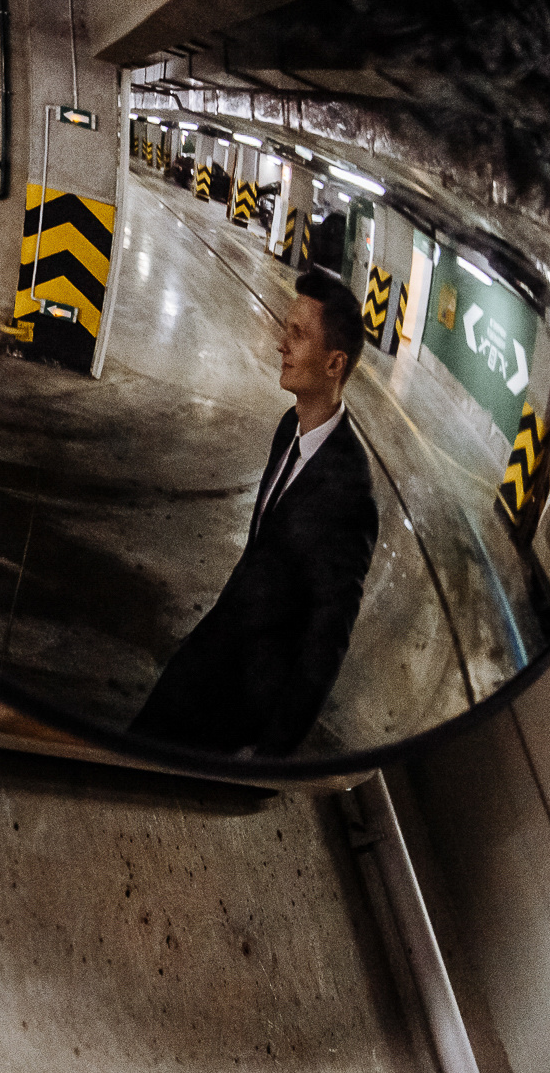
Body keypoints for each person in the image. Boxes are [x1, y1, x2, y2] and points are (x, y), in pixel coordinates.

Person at [130, 271, 379, 756]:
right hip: (212, 652)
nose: (281, 344)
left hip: (246, 701)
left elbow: (327, 639)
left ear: (335, 364)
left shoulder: (350, 494)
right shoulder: (290, 427)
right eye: (286, 329)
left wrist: (271, 749)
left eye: (298, 334)